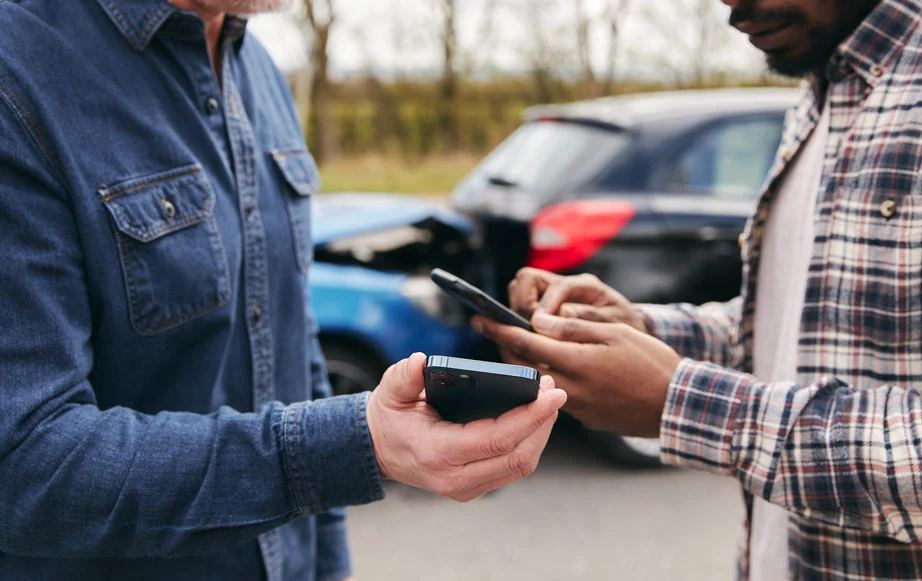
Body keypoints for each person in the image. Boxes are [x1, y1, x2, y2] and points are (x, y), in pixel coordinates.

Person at [0, 1, 566, 580]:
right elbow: (22, 462)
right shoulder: (16, 70)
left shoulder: (260, 70)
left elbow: (292, 347)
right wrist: (356, 444)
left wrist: (328, 564)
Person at [475, 0, 922, 579]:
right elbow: (793, 330)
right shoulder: (822, 81)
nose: (731, 7)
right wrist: (642, 331)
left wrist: (683, 404)